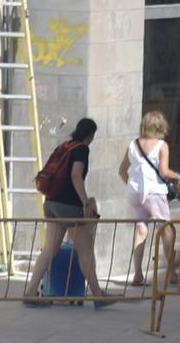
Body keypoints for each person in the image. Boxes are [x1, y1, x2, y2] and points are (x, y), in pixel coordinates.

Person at [22, 118, 114, 308]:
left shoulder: (65, 146)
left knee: (49, 250)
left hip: (51, 203)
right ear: (90, 135)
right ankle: (98, 295)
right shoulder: (82, 149)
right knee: (85, 250)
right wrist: (85, 203)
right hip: (69, 207)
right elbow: (75, 175)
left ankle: (31, 291)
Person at [120, 110, 180, 287]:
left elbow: (121, 170)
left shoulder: (133, 144)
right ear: (160, 126)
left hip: (134, 193)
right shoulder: (161, 145)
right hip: (154, 192)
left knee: (141, 231)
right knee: (166, 230)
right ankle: (172, 273)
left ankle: (138, 274)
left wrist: (131, 184)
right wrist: (176, 176)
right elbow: (164, 172)